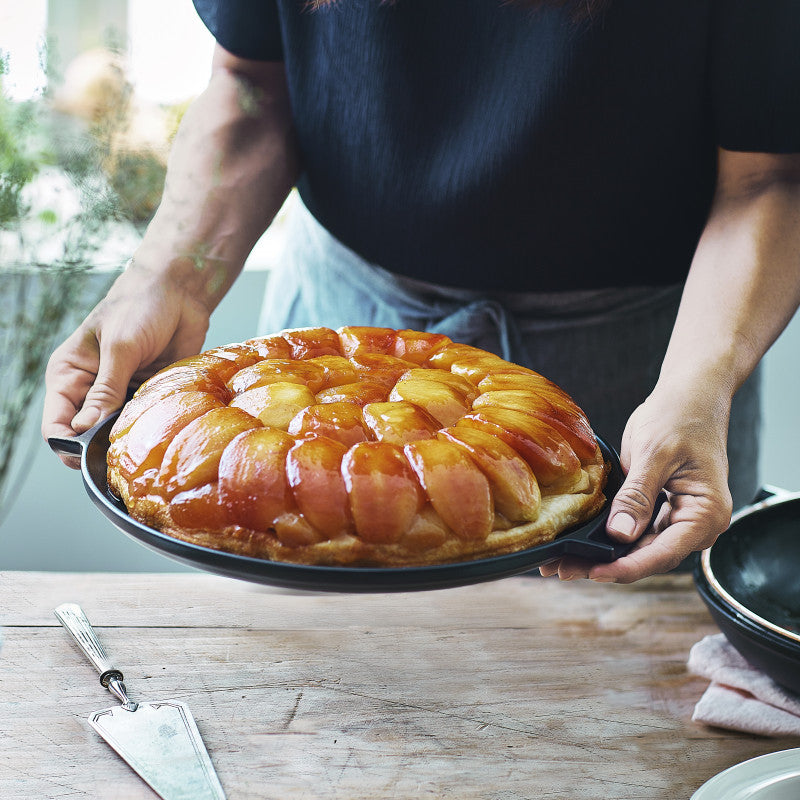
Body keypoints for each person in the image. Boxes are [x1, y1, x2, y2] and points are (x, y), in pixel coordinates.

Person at [42, 0, 800, 583]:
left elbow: (770, 174)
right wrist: (170, 276)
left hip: (651, 369)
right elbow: (250, 82)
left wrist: (698, 387)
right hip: (322, 343)